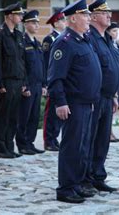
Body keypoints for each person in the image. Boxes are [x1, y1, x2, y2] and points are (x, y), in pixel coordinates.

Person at [48, 0, 102, 204]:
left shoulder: (83, 40)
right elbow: (55, 77)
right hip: (73, 104)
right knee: (71, 146)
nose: (89, 18)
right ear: (72, 19)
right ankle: (66, 188)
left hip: (87, 103)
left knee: (82, 146)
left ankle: (77, 183)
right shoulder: (64, 42)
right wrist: (60, 102)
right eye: (85, 15)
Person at [84, 0, 119, 193]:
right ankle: (86, 177)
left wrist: (114, 95)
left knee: (102, 140)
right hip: (95, 97)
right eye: (105, 13)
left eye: (109, 12)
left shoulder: (107, 38)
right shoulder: (90, 38)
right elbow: (93, 70)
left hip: (108, 97)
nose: (109, 16)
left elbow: (111, 68)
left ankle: (98, 175)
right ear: (95, 16)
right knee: (90, 138)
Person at [0, 3, 27, 159]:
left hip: (18, 80)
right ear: (9, 16)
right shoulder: (0, 34)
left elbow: (22, 60)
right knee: (3, 116)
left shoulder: (19, 35)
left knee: (13, 116)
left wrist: (24, 82)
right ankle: (0, 148)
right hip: (6, 82)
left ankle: (9, 146)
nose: (21, 17)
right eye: (18, 14)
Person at [16, 10, 46, 155]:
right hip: (28, 85)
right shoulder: (22, 42)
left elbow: (42, 65)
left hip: (38, 85)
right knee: (24, 116)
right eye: (33, 22)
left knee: (34, 116)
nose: (36, 25)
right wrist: (24, 84)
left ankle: (30, 142)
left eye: (37, 23)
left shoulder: (37, 43)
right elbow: (21, 66)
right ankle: (22, 144)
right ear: (26, 24)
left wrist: (44, 84)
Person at [42, 9, 66, 151]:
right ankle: (48, 140)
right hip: (52, 81)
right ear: (56, 23)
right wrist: (46, 83)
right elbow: (46, 63)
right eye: (62, 20)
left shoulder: (63, 38)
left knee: (58, 114)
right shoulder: (49, 39)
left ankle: (54, 138)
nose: (64, 23)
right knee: (51, 112)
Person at [106, 22, 119, 143]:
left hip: (116, 83)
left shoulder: (116, 45)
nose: (116, 33)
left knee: (114, 109)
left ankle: (110, 131)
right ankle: (108, 132)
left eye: (117, 31)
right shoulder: (109, 44)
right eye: (113, 31)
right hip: (108, 86)